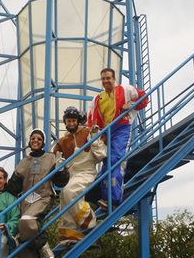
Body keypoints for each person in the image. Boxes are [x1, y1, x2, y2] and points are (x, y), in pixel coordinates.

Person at [6, 129, 68, 258]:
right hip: (26, 201)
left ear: (43, 142)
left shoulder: (50, 158)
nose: (35, 141)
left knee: (26, 222)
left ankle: (44, 246)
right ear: (29, 141)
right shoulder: (24, 162)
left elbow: (61, 181)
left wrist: (61, 169)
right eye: (33, 138)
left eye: (39, 139)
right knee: (21, 236)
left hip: (43, 197)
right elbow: (13, 188)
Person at [87, 68, 148, 209]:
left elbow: (144, 98)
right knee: (106, 162)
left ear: (114, 79)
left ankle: (114, 199)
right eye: (103, 78)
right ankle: (105, 197)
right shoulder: (97, 98)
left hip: (121, 128)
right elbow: (91, 119)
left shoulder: (126, 90)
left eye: (108, 78)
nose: (106, 81)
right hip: (106, 132)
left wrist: (131, 105)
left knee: (116, 160)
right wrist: (97, 134)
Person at [53, 106, 106, 244]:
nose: (71, 123)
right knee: (64, 194)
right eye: (68, 121)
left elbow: (101, 154)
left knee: (70, 192)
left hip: (86, 171)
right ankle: (69, 232)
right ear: (65, 122)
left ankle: (90, 222)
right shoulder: (63, 141)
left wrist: (94, 137)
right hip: (72, 174)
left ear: (77, 121)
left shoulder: (88, 132)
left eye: (73, 121)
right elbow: (53, 159)